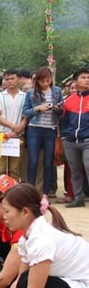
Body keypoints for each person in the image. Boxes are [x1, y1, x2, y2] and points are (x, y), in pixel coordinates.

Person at [22, 66, 63, 201]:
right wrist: (38, 108)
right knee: (33, 162)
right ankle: (31, 193)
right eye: (42, 81)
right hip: (34, 129)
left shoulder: (57, 91)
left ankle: (45, 194)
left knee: (48, 163)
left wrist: (57, 108)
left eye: (48, 80)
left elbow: (62, 110)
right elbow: (25, 112)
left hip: (50, 129)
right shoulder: (31, 93)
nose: (46, 83)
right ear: (37, 81)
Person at [60, 66, 89, 207]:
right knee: (75, 170)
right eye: (83, 78)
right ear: (76, 82)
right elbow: (63, 121)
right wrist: (65, 136)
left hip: (87, 140)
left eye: (88, 78)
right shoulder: (69, 100)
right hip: (70, 141)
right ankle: (78, 197)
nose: (87, 80)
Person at [0, 69, 26, 181]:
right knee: (0, 168)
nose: (10, 81)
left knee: (15, 169)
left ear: (19, 79)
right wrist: (13, 126)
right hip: (1, 136)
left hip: (17, 136)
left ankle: (13, 195)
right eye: (7, 79)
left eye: (12, 78)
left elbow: (26, 116)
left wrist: (17, 130)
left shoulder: (24, 96)